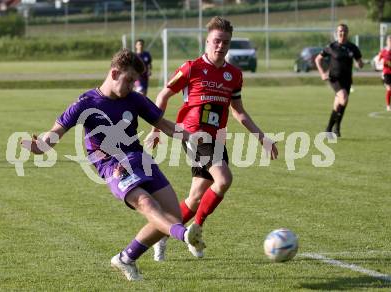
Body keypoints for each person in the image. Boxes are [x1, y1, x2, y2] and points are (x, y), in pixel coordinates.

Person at [21, 49, 204, 281]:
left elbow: (165, 125)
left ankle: (126, 258)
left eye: (134, 82)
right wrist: (40, 146)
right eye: (129, 80)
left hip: (139, 159)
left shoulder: (135, 99)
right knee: (147, 204)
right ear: (114, 73)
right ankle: (184, 235)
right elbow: (55, 133)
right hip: (111, 165)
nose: (131, 86)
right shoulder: (86, 103)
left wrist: (194, 137)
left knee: (172, 215)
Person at [144, 16, 278, 261]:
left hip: (217, 139)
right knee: (224, 179)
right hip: (193, 135)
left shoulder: (234, 75)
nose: (221, 46)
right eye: (216, 41)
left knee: (195, 198)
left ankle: (163, 234)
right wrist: (155, 129)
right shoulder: (191, 68)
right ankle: (196, 230)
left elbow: (238, 111)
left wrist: (263, 138)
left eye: (225, 42)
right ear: (207, 42)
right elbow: (163, 95)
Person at [315, 23, 364, 137]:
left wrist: (360, 64)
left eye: (344, 31)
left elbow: (359, 63)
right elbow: (318, 59)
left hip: (347, 80)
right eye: (340, 31)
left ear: (348, 33)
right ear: (337, 33)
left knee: (339, 105)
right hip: (334, 79)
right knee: (344, 98)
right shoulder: (331, 47)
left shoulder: (353, 47)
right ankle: (335, 128)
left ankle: (330, 129)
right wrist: (322, 73)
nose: (342, 33)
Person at [378, 35, 391, 112]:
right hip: (386, 73)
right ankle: (388, 106)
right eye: (389, 41)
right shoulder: (383, 51)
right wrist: (381, 62)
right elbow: (378, 60)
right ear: (387, 42)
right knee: (389, 89)